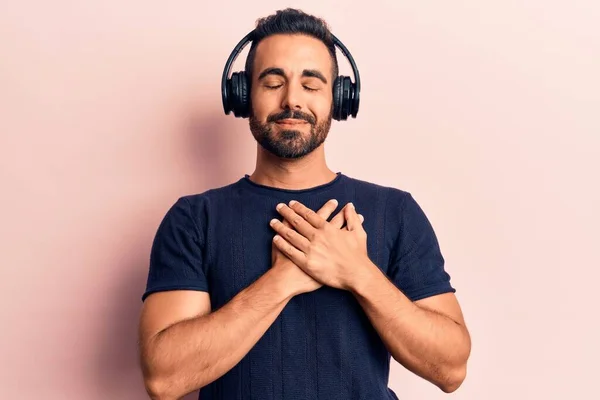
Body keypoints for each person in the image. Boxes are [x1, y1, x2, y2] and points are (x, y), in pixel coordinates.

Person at [137, 8, 471, 400]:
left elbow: (450, 368)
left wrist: (357, 273)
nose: (291, 99)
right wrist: (283, 281)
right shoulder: (194, 219)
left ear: (340, 98)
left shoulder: (395, 212)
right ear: (243, 95)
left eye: (311, 85)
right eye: (273, 82)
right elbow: (163, 379)